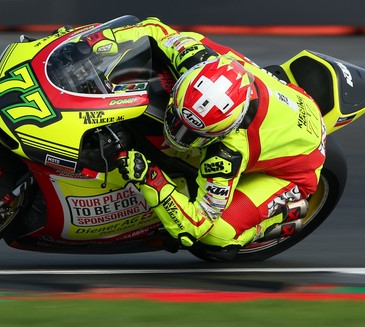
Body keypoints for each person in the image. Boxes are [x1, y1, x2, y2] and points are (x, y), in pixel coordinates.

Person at [108, 17, 327, 252]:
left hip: (302, 160)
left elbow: (196, 225)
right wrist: (98, 41)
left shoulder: (226, 154)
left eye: (192, 134)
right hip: (289, 100)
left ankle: (270, 224)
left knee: (216, 237)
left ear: (223, 132)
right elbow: (151, 27)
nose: (177, 135)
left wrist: (151, 178)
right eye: (177, 121)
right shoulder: (195, 55)